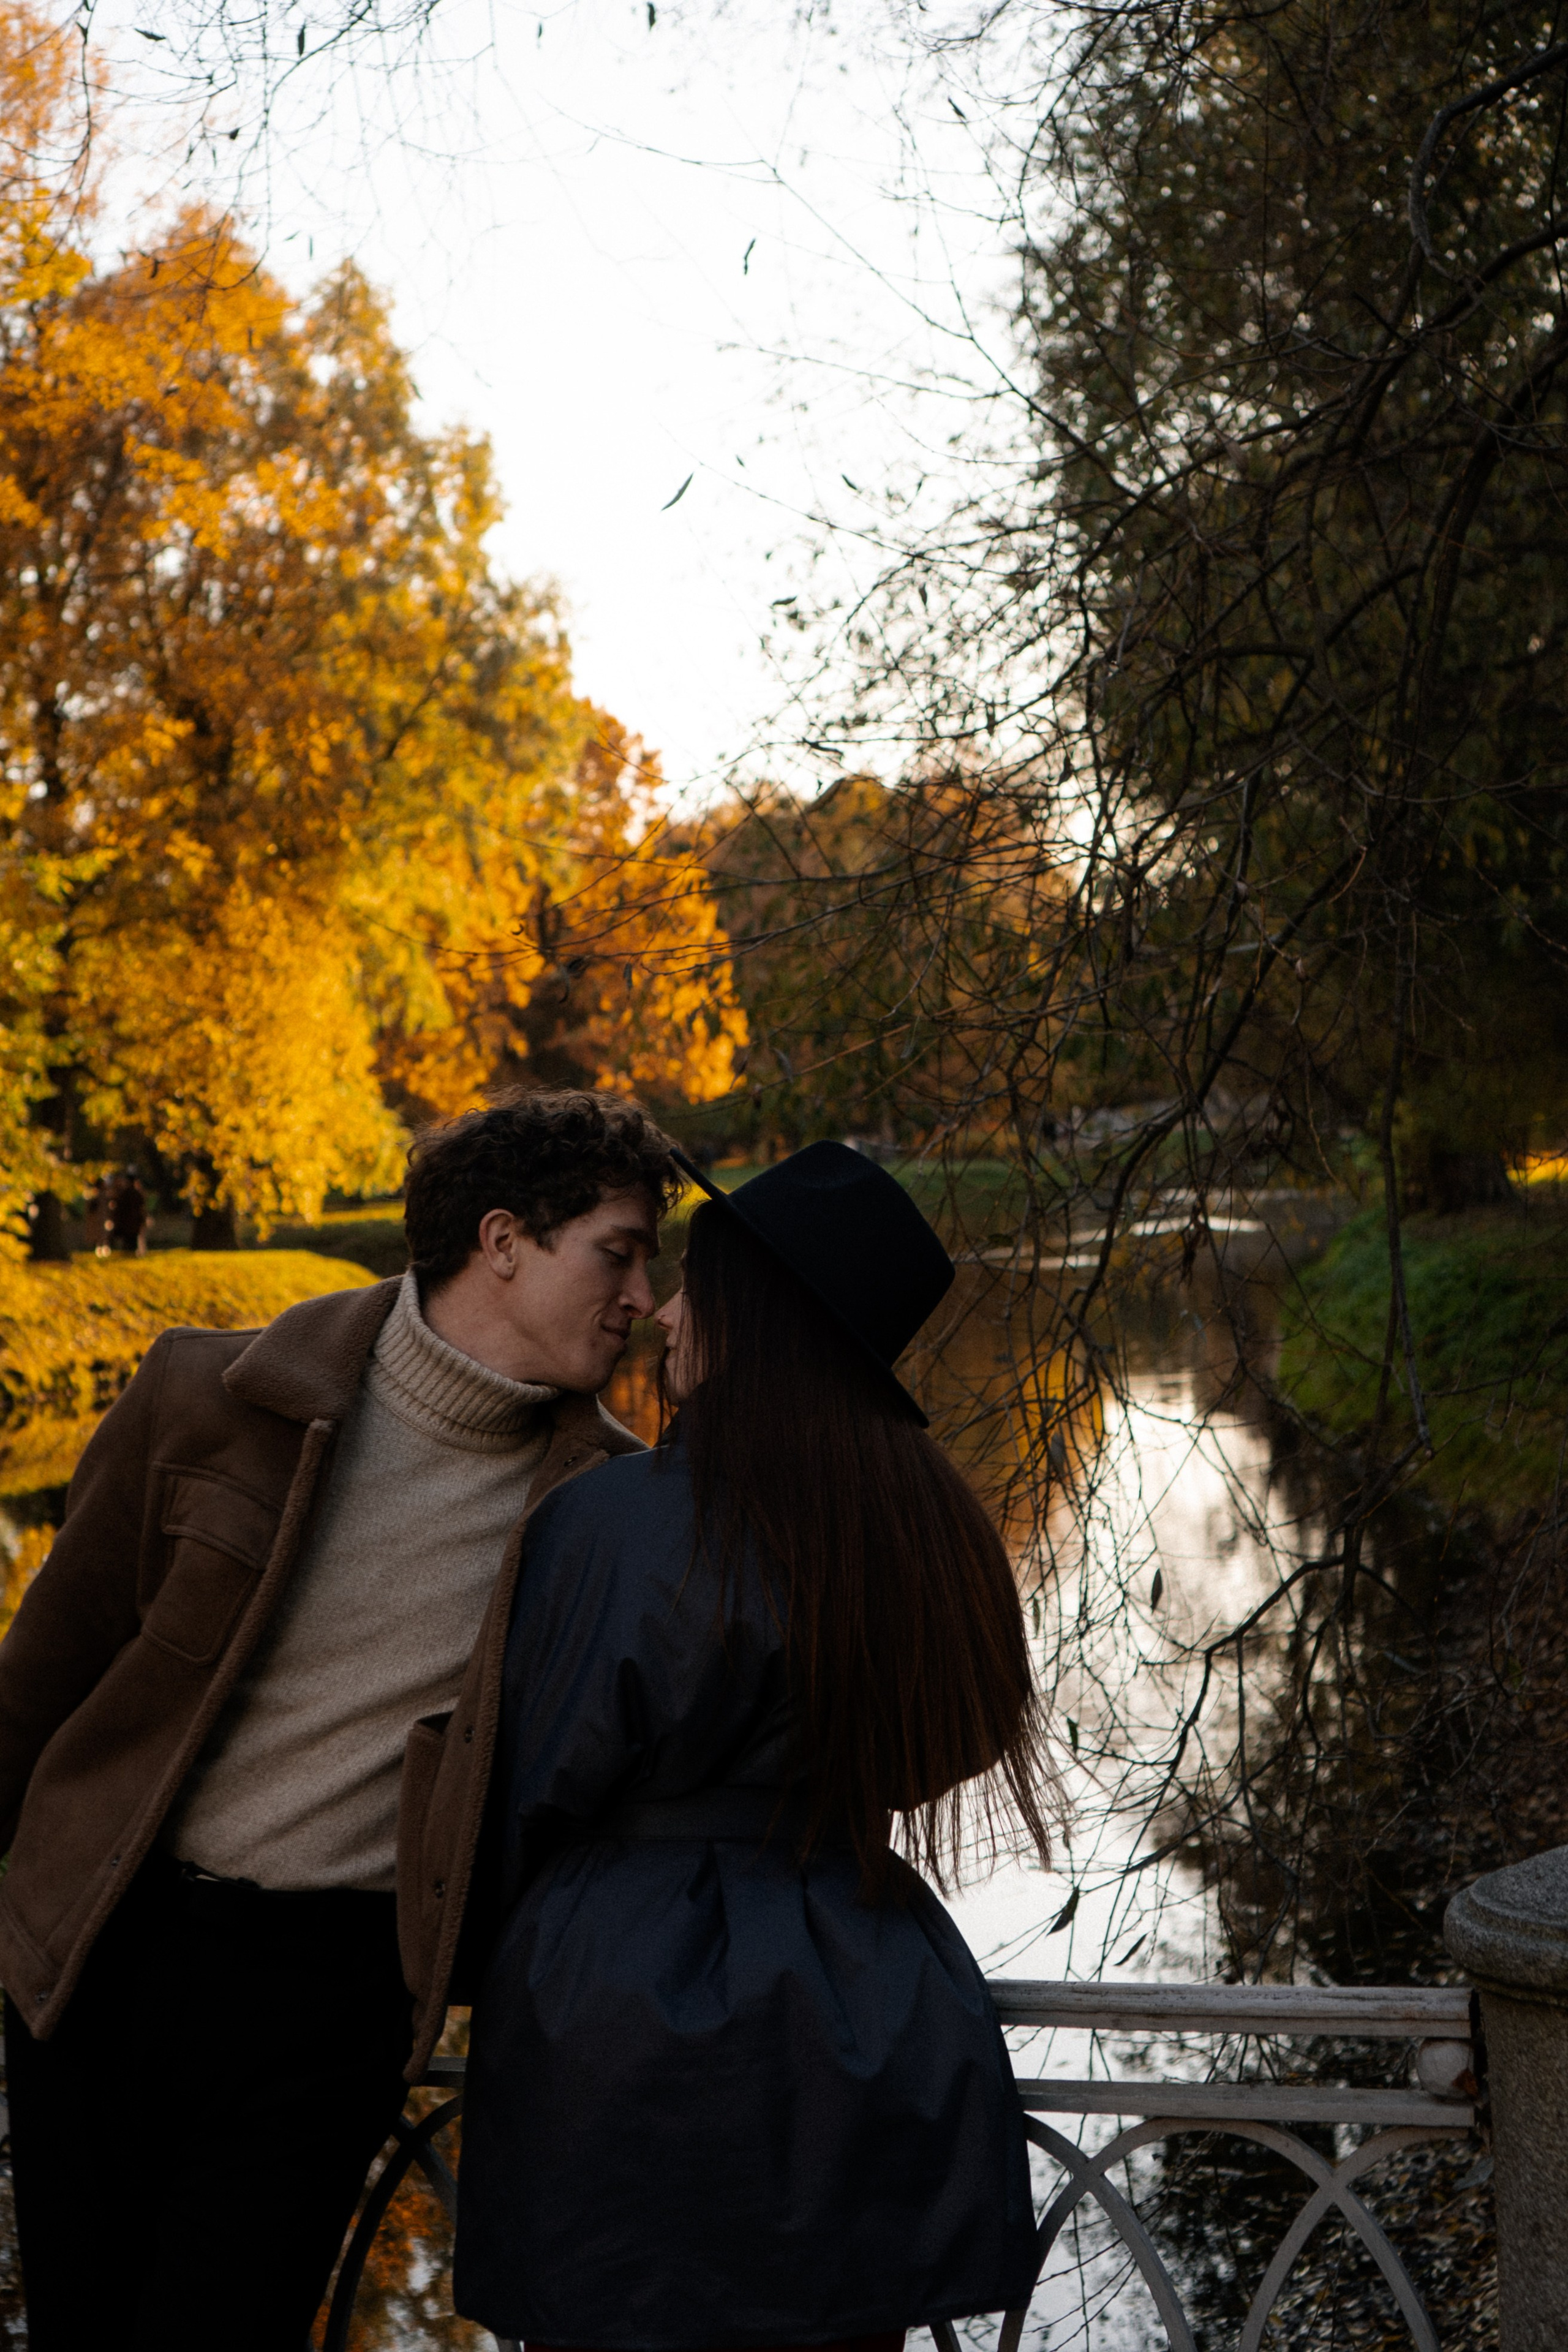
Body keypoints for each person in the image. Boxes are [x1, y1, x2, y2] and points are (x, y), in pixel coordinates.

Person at [0, 1088, 682, 2352]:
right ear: (501, 1242)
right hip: (99, 1951)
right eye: (619, 1251)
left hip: (328, 2003)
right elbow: (38, 1683)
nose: (643, 1294)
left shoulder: (604, 1506)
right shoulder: (210, 1394)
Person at [455, 1140, 1058, 2352]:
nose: (664, 1312)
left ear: (755, 1315)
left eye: (695, 1285)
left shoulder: (611, 1521)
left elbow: (529, 1785)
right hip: (866, 2013)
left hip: (619, 2035)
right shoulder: (939, 1528)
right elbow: (965, 1732)